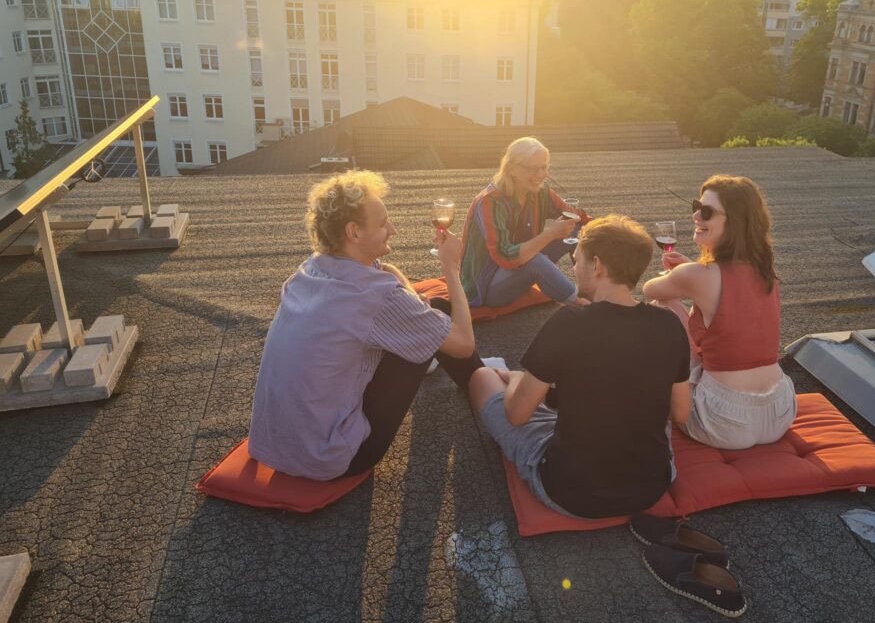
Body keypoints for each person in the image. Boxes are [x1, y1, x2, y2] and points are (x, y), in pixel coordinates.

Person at [248, 171, 482, 480]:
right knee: (439, 311)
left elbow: (386, 271)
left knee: (422, 317)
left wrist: (411, 299)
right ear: (354, 232)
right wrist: (451, 267)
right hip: (332, 457)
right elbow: (464, 345)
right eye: (383, 223)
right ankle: (487, 389)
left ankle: (480, 378)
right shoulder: (375, 296)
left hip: (275, 446)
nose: (392, 229)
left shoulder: (310, 269)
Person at [468, 215, 691, 518]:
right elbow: (680, 413)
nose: (573, 269)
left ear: (597, 265)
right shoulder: (669, 324)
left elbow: (517, 415)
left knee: (482, 377)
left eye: (576, 260)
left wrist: (517, 378)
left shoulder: (569, 323)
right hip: (651, 486)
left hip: (571, 493)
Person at [643, 174, 796, 450]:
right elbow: (729, 306)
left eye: (707, 212)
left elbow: (650, 289)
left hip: (724, 421)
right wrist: (691, 272)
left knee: (662, 307)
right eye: (696, 207)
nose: (696, 216)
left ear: (735, 222)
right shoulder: (765, 270)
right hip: (780, 411)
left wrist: (685, 274)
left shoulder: (697, 276)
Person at [460, 137, 590, 308]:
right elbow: (506, 257)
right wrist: (550, 234)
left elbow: (575, 215)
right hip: (488, 285)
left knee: (578, 229)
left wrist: (608, 226)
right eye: (533, 168)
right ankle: (581, 304)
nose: (540, 175)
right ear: (512, 169)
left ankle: (590, 289)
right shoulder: (490, 202)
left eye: (544, 167)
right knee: (535, 261)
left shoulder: (540, 192)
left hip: (523, 267)